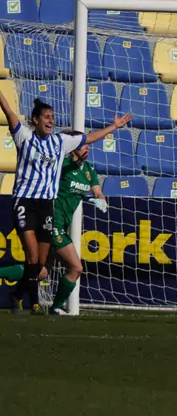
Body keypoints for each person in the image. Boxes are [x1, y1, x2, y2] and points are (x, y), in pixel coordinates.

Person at [1, 91, 130, 314]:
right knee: (43, 258)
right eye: (47, 117)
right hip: (26, 202)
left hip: (46, 207)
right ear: (36, 120)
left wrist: (114, 127)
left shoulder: (66, 148)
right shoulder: (26, 138)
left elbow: (90, 138)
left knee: (40, 267)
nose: (51, 120)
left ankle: (16, 295)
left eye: (53, 117)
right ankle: (36, 304)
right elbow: (8, 111)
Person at [45, 131, 108, 314]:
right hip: (52, 222)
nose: (87, 147)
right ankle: (55, 308)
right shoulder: (62, 166)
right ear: (73, 148)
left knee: (41, 271)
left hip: (62, 224)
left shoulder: (88, 170)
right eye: (83, 144)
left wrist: (100, 200)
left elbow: (98, 191)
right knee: (76, 267)